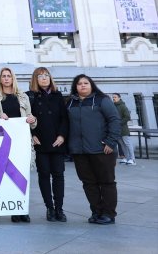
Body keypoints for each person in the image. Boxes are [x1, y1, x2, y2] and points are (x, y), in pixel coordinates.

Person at [68, 75, 121, 225]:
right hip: (80, 151)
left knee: (107, 182)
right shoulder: (70, 102)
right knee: (88, 183)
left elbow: (115, 120)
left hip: (102, 150)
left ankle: (109, 214)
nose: (83, 86)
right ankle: (96, 211)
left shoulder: (102, 100)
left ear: (91, 85)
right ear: (75, 86)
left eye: (86, 83)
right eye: (79, 84)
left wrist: (110, 142)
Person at [0, 67, 36, 223]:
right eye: (3, 76)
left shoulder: (23, 97)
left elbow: (31, 118)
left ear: (13, 78)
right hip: (4, 142)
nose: (6, 78)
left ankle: (23, 209)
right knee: (8, 176)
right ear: (0, 79)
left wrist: (33, 120)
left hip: (21, 141)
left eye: (9, 76)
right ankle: (14, 209)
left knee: (22, 175)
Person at [27, 67, 68, 222]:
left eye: (46, 75)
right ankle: (49, 208)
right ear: (35, 79)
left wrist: (62, 136)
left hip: (57, 142)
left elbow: (65, 118)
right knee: (44, 175)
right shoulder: (30, 97)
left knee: (58, 175)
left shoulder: (58, 96)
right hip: (40, 142)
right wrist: (32, 135)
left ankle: (59, 208)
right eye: (40, 76)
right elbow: (26, 118)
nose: (44, 78)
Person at [112, 93, 135, 166]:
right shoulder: (113, 106)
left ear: (119, 98)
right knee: (122, 145)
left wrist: (119, 123)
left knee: (128, 144)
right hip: (117, 130)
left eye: (115, 97)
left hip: (124, 129)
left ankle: (132, 159)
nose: (113, 98)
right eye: (113, 97)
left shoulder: (123, 106)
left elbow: (127, 117)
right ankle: (127, 158)